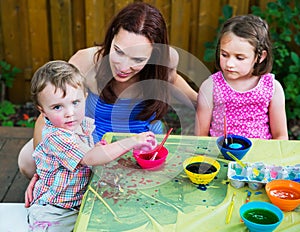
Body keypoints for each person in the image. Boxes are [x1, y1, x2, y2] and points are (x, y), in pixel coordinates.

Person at [18, 2, 197, 179]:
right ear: (112, 36)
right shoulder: (86, 61)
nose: (123, 67)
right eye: (118, 51)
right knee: (27, 161)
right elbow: (47, 116)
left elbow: (172, 80)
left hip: (139, 140)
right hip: (94, 143)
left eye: (137, 59)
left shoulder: (167, 60)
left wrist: (203, 101)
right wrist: (43, 174)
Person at [27, 60, 157, 231]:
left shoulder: (79, 125)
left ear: (85, 97)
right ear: (43, 111)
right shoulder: (56, 136)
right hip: (55, 211)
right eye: (58, 107)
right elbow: (88, 158)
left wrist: (97, 148)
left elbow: (89, 153)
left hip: (80, 202)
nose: (70, 113)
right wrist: (132, 141)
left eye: (75, 102)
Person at [195, 14, 288, 140]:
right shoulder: (210, 86)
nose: (229, 64)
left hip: (260, 156)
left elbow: (280, 136)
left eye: (239, 58)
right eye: (224, 54)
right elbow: (200, 136)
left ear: (260, 57)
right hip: (220, 155)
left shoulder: (272, 87)